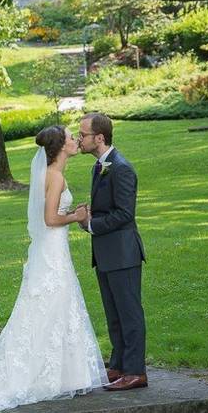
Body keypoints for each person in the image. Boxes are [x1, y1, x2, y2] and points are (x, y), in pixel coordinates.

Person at [0, 125, 108, 410]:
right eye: (71, 138)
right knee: (54, 304)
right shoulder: (55, 177)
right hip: (52, 251)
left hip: (51, 250)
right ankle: (49, 377)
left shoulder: (50, 174)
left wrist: (69, 215)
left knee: (52, 306)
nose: (76, 141)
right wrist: (76, 216)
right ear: (61, 147)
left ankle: (65, 376)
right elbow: (50, 220)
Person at [77, 112, 148, 391]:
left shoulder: (121, 168)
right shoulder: (99, 167)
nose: (79, 139)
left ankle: (135, 371)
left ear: (100, 138)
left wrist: (91, 224)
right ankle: (118, 365)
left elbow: (124, 214)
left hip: (123, 254)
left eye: (83, 135)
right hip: (106, 254)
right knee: (114, 314)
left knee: (129, 314)